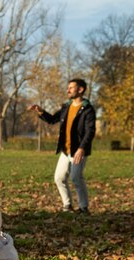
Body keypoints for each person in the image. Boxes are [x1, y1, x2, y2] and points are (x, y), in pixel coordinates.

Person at [28, 78, 96, 214]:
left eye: (71, 87)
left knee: (76, 177)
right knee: (59, 178)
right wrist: (40, 111)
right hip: (66, 151)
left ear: (80, 89)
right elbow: (53, 119)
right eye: (68, 87)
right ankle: (67, 205)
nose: (68, 90)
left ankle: (83, 207)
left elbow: (90, 131)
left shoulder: (88, 109)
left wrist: (82, 148)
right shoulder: (66, 106)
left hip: (79, 151)